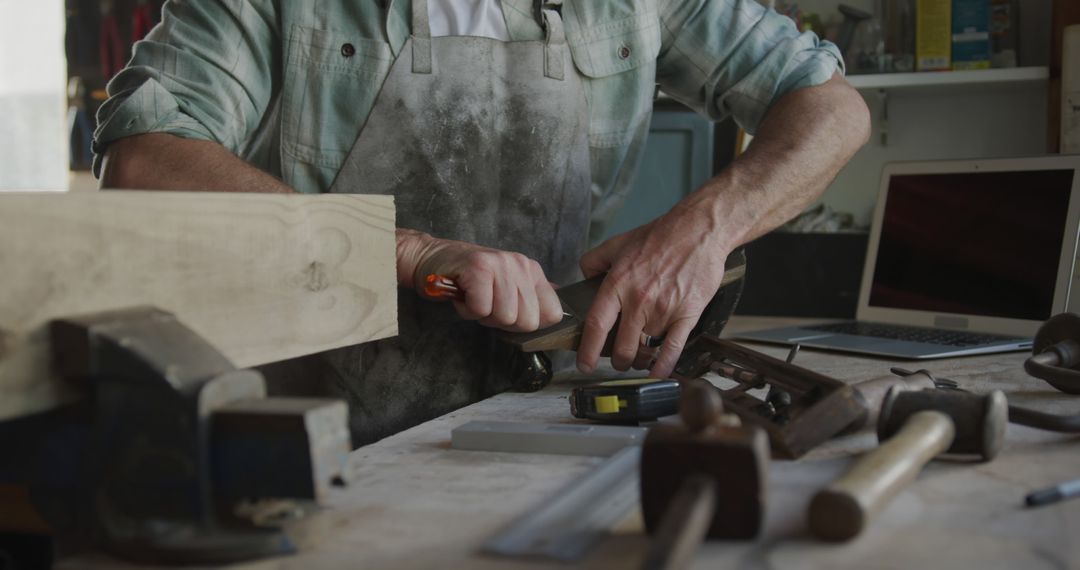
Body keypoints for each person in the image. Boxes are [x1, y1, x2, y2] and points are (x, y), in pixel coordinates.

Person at [94, 0, 870, 445]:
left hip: (533, 407)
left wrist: (702, 229)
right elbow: (143, 157)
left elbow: (829, 108)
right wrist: (415, 252)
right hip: (317, 422)